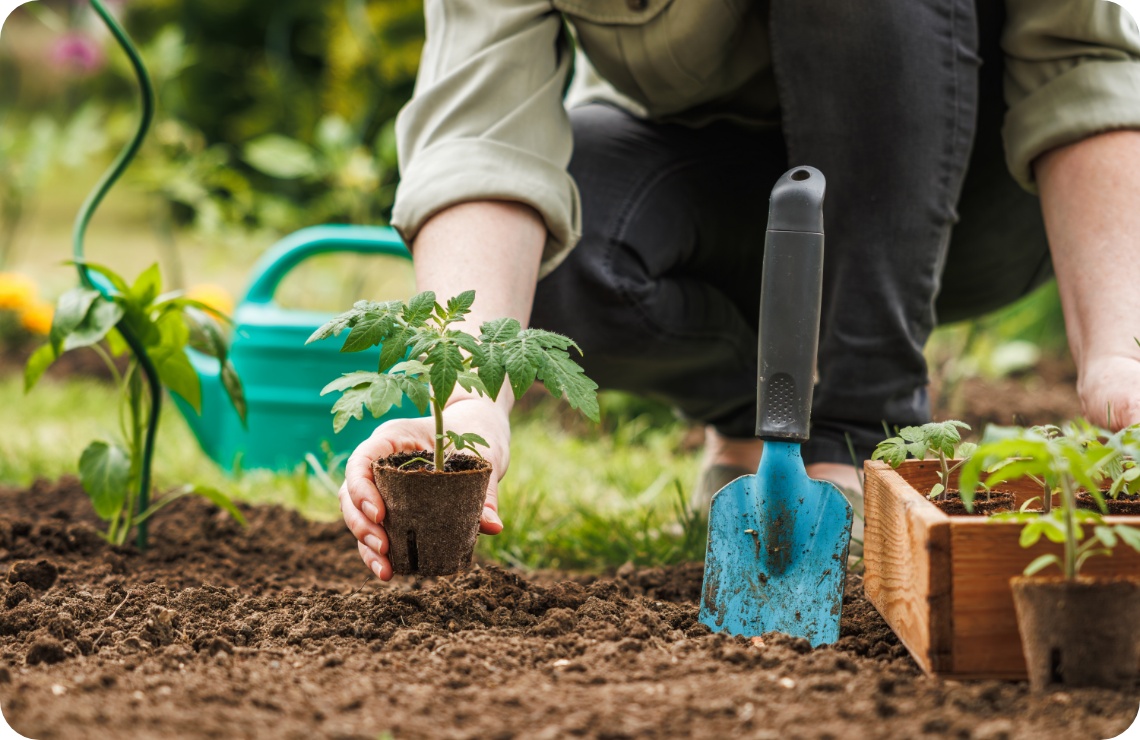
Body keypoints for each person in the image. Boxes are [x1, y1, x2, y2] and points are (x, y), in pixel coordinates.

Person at [339, 0, 1140, 582]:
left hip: (966, 197)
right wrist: (476, 401)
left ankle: (857, 436)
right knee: (572, 253)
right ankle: (764, 428)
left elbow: (1081, 59)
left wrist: (1118, 353)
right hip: (721, 188)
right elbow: (483, 132)